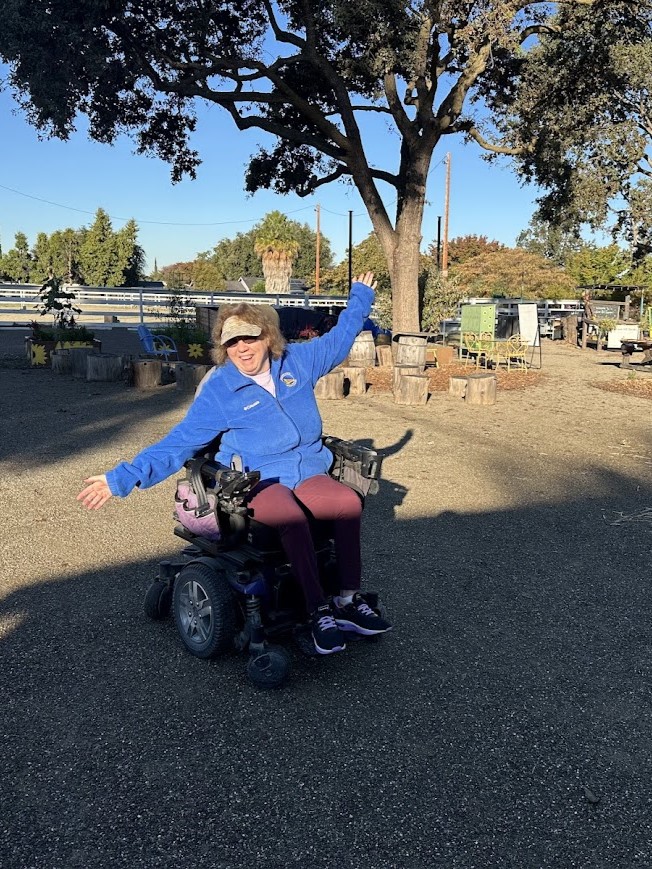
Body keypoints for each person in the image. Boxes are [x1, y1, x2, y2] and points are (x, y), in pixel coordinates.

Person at [77, 272, 392, 655]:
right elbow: (179, 442)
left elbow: (341, 339)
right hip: (254, 480)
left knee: (346, 502)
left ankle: (346, 602)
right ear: (223, 347)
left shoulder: (297, 362)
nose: (243, 348)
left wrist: (360, 296)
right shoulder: (221, 390)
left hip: (306, 469)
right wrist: (120, 479)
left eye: (250, 337)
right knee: (288, 516)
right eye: (233, 341)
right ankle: (316, 612)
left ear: (269, 337)